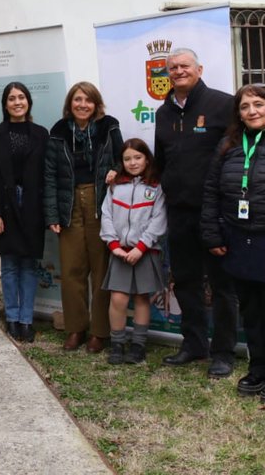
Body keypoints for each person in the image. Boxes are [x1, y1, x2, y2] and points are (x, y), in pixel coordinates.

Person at [201, 83, 265, 403]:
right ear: (239, 114)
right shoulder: (228, 145)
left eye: (258, 104)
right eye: (245, 107)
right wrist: (212, 233)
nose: (252, 111)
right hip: (239, 239)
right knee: (253, 311)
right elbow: (211, 192)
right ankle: (259, 367)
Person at [153, 47, 238, 378]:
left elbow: (235, 153)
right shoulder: (164, 113)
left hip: (215, 210)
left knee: (221, 284)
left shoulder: (222, 104)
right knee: (185, 280)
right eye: (172, 68)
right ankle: (194, 343)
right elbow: (161, 159)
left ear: (199, 69)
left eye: (184, 65)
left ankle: (224, 351)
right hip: (179, 211)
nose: (178, 71)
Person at [44, 81, 123, 353]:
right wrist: (52, 213)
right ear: (70, 103)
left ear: (96, 103)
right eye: (77, 100)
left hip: (101, 203)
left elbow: (123, 159)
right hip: (69, 204)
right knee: (72, 270)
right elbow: (50, 175)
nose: (82, 105)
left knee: (101, 270)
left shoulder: (109, 126)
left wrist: (115, 170)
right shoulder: (58, 131)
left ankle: (99, 332)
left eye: (88, 100)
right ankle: (76, 328)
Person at [0, 82, 48, 342]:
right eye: (12, 98)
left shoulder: (42, 134)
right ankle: (11, 318)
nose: (17, 102)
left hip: (32, 205)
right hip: (5, 205)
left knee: (29, 265)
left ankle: (26, 320)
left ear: (29, 101)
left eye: (21, 97)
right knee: (9, 265)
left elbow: (47, 173)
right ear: (5, 104)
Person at [101, 139, 168, 365]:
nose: (132, 162)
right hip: (119, 251)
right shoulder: (114, 186)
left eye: (137, 157)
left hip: (145, 252)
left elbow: (158, 220)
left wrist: (141, 247)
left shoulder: (156, 187)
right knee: (118, 298)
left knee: (141, 298)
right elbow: (106, 216)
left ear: (146, 159)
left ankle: (138, 344)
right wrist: (114, 246)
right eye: (127, 158)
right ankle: (117, 343)